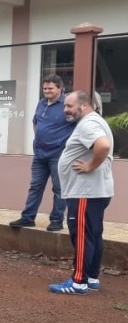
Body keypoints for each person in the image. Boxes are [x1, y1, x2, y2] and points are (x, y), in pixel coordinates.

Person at [49, 90, 114, 295]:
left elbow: (103, 146)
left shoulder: (88, 124)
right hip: (95, 190)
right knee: (93, 235)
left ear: (84, 105)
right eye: (65, 106)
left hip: (85, 191)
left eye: (69, 106)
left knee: (82, 236)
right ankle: (91, 278)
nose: (65, 110)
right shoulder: (96, 121)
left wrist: (89, 166)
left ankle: (78, 282)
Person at [9, 75, 75, 231]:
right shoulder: (41, 103)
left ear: (60, 88)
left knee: (59, 189)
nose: (47, 91)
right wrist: (38, 139)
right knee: (35, 187)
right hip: (39, 154)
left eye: (50, 88)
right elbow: (35, 122)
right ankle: (27, 218)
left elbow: (79, 125)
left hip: (58, 154)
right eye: (45, 88)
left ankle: (56, 220)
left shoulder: (67, 104)